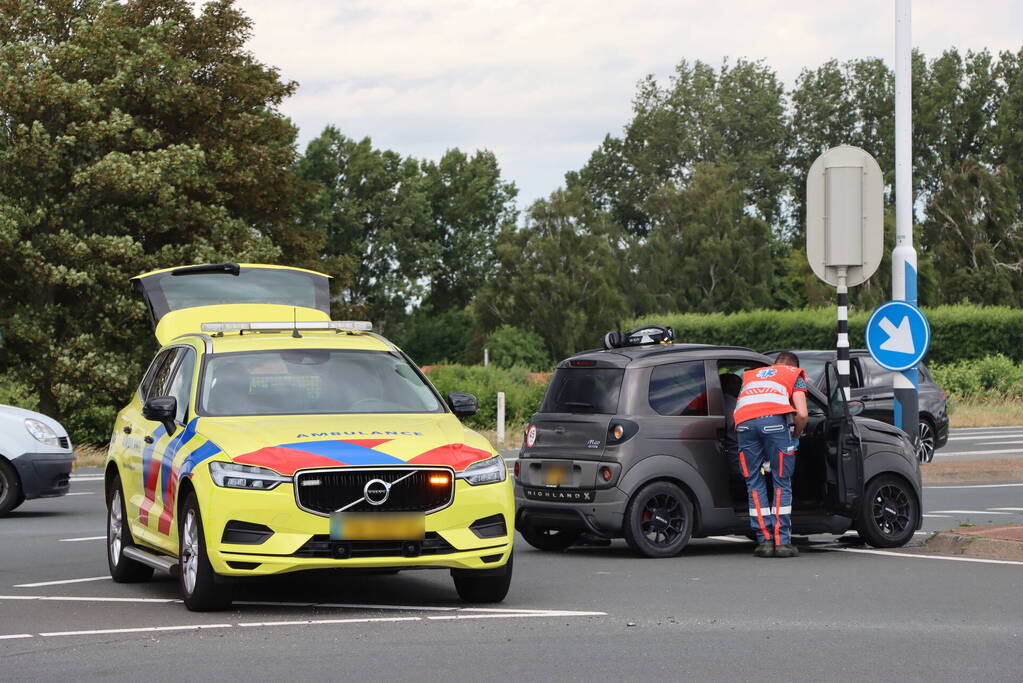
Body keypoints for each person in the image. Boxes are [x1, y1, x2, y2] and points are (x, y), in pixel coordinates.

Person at [733, 352, 809, 558]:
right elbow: (801, 414)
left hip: (744, 424)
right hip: (774, 424)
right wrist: (795, 435)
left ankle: (764, 541)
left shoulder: (752, 375)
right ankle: (782, 542)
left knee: (754, 482)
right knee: (781, 481)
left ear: (775, 364)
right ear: (794, 366)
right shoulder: (795, 375)